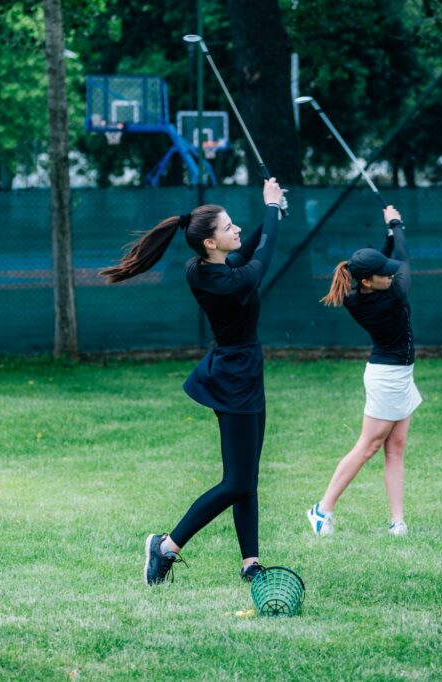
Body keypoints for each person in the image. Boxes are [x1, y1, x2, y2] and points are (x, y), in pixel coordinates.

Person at [100, 178, 285, 585]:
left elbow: (252, 246)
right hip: (232, 378)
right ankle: (165, 546)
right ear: (209, 243)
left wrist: (275, 213)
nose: (236, 230)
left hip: (247, 372)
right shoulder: (220, 279)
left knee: (247, 477)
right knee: (236, 480)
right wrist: (270, 209)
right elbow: (260, 261)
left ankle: (250, 563)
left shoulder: (215, 266)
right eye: (228, 227)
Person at [306, 205, 420, 538]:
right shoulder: (392, 295)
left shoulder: (361, 294)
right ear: (369, 282)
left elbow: (381, 263)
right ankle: (321, 509)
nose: (392, 274)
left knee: (395, 447)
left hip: (399, 374)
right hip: (387, 379)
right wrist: (395, 224)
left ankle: (397, 520)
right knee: (368, 447)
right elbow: (404, 260)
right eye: (385, 273)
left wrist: (385, 239)